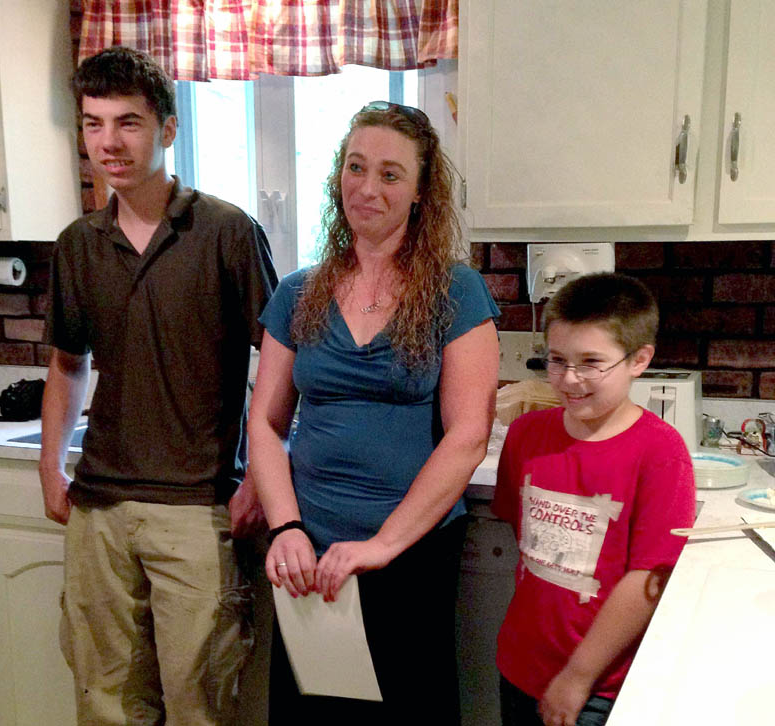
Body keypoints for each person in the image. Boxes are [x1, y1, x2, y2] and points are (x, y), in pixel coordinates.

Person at [39, 46, 278, 726]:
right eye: (92, 124)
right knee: (107, 701)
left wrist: (259, 476)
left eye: (128, 123)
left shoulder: (227, 232)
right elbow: (67, 365)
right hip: (99, 507)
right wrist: (50, 462)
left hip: (197, 507)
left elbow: (278, 365)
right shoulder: (78, 243)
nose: (108, 142)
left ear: (167, 130)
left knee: (201, 703)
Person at [247, 101, 499, 724]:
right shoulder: (297, 292)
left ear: (420, 192)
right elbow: (265, 422)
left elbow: (469, 436)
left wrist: (382, 546)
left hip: (409, 554)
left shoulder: (456, 291)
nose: (367, 187)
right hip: (310, 556)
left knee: (407, 709)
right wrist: (286, 530)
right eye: (356, 167)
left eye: (390, 174)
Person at [492, 273, 696, 726]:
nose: (569, 379)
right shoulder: (526, 435)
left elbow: (650, 581)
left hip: (596, 684)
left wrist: (577, 677)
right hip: (520, 663)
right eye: (557, 360)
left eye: (591, 363)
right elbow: (521, 533)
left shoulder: (661, 453)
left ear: (639, 360)